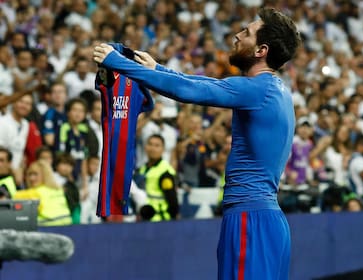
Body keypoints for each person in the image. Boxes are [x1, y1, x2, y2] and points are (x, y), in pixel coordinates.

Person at [93, 7, 300, 279]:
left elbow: (191, 90)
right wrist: (157, 68)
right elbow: (205, 83)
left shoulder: (258, 89)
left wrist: (118, 62)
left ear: (261, 50)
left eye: (246, 33)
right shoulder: (275, 89)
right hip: (268, 220)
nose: (237, 35)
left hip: (250, 220)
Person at [14, 160, 72, 226]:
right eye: (29, 174)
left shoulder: (33, 193)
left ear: (45, 175)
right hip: (67, 224)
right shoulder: (58, 190)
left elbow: (13, 198)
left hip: (47, 226)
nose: (31, 178)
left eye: (35, 174)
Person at [138, 134, 179, 222]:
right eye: (150, 144)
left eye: (157, 145)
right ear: (145, 147)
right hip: (144, 219)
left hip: (160, 220)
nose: (152, 148)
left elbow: (173, 201)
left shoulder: (165, 172)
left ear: (163, 149)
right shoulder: (142, 169)